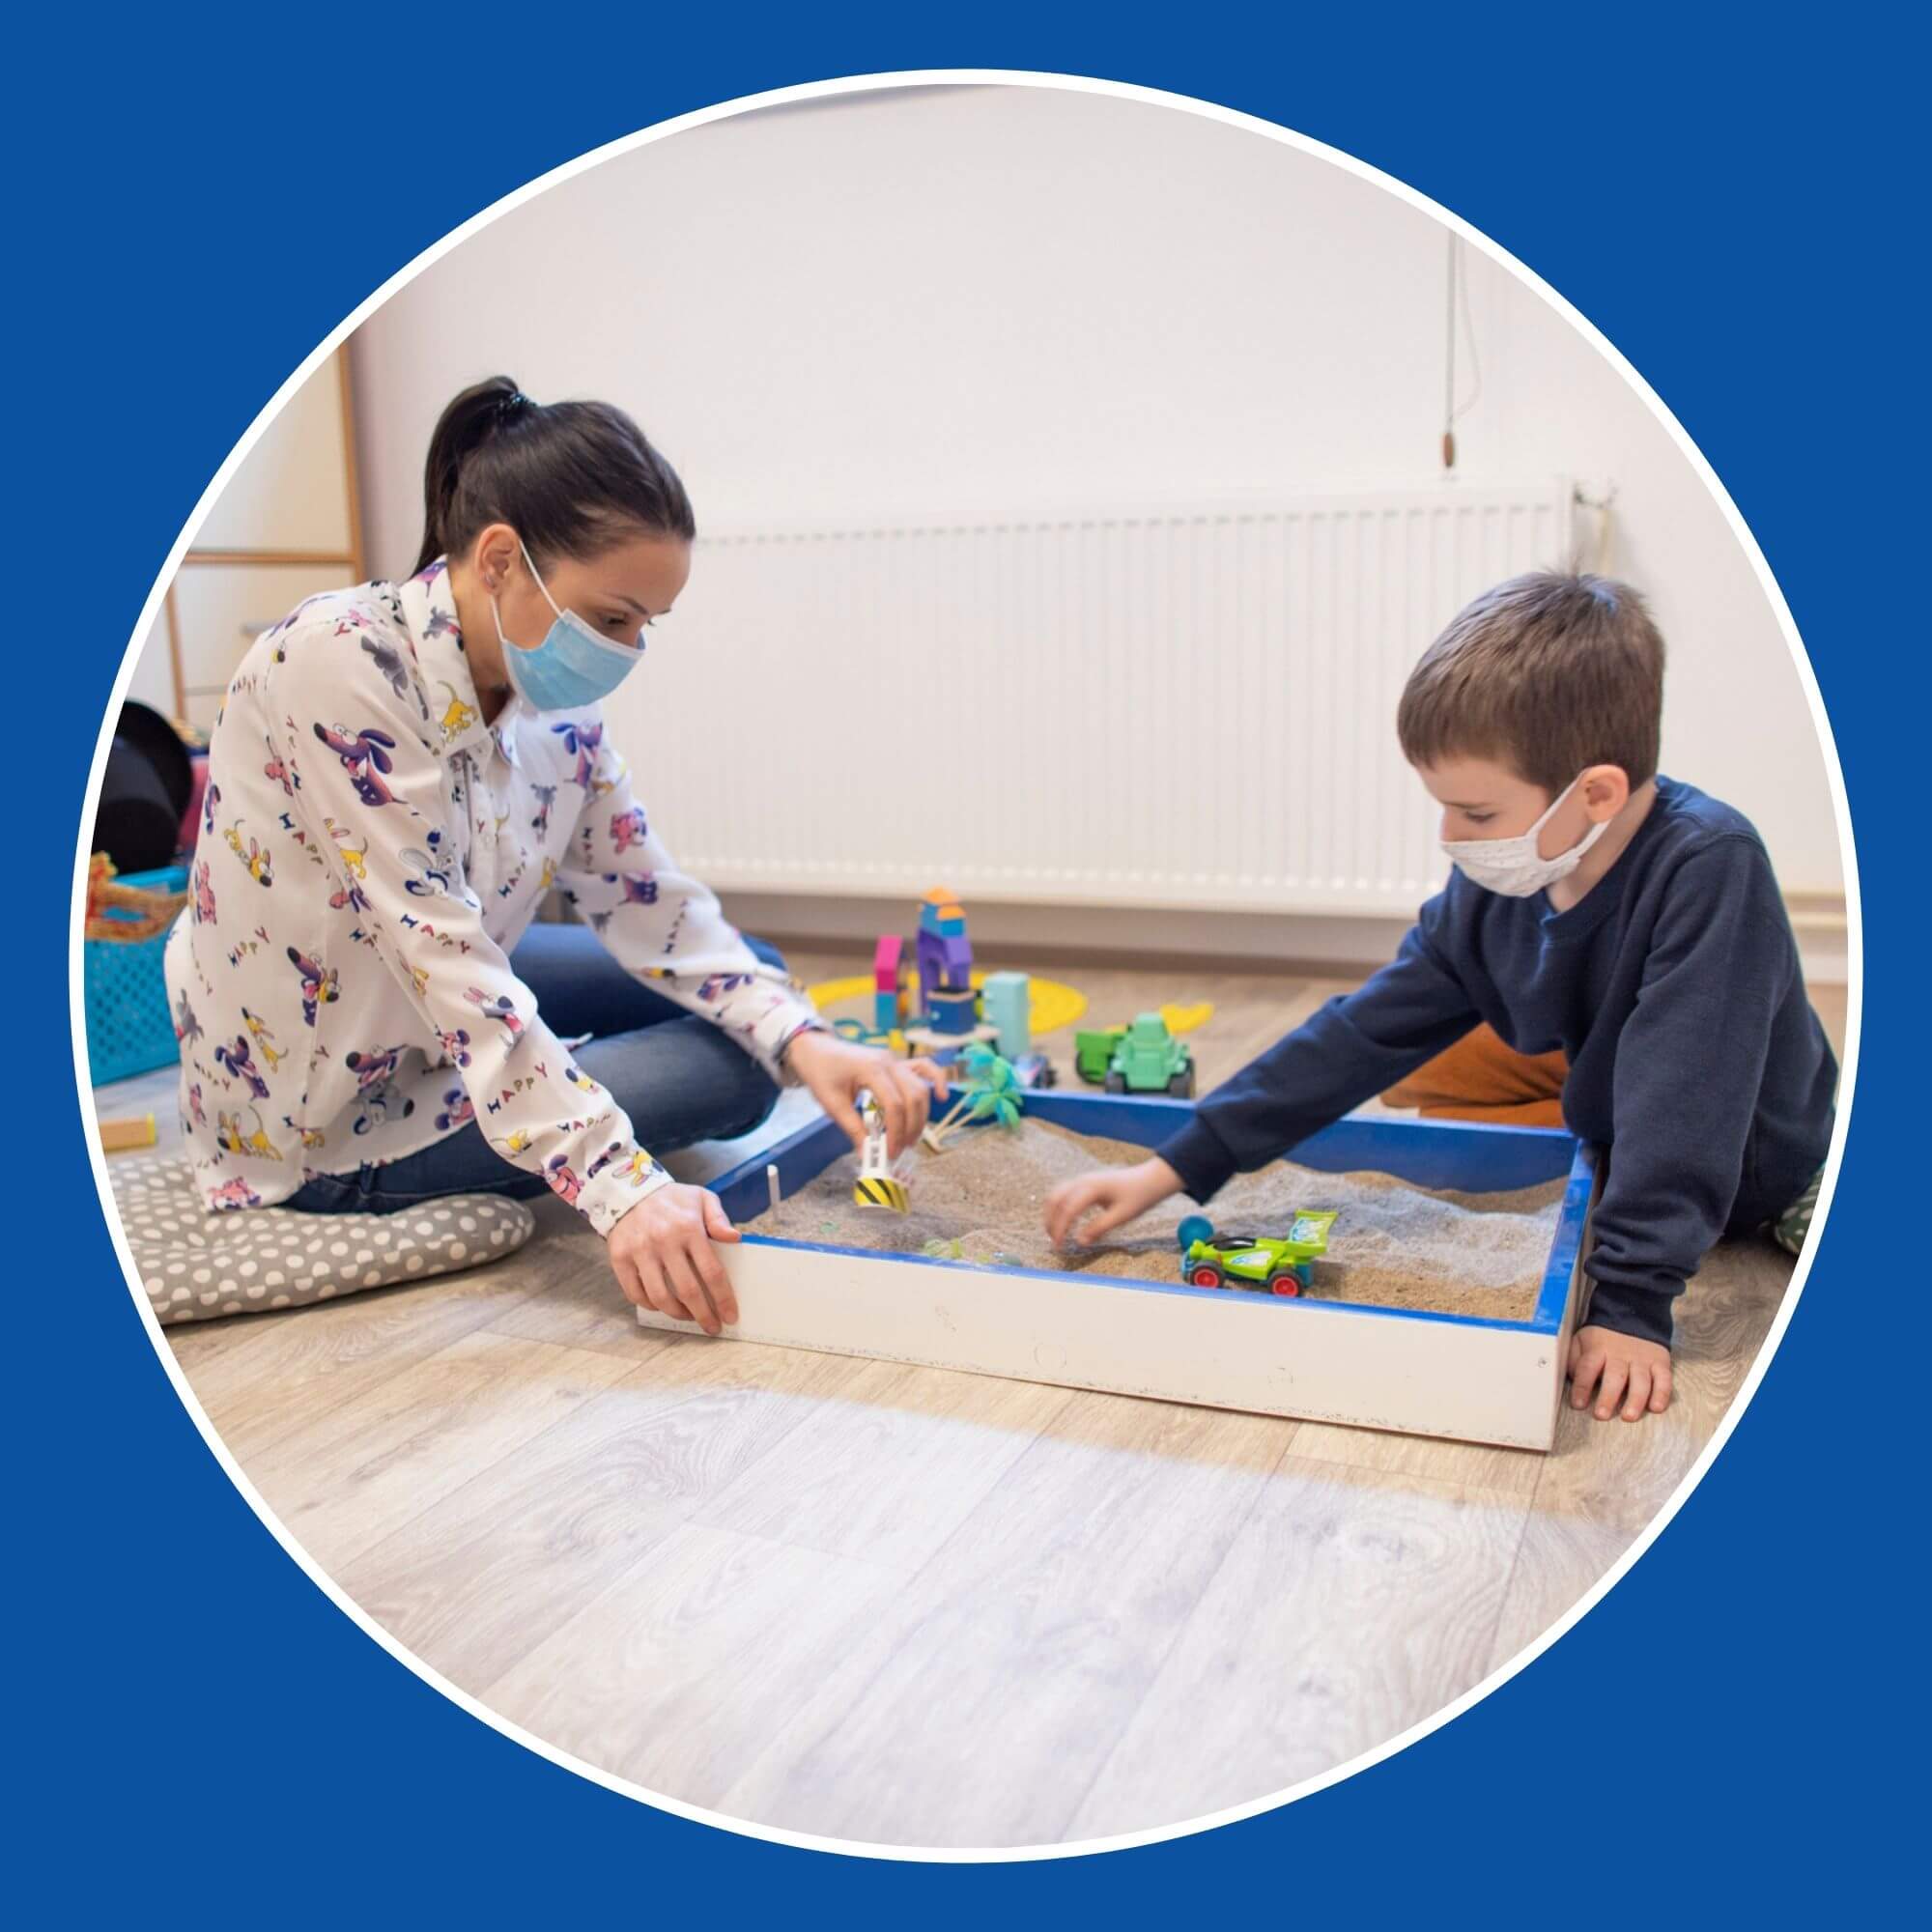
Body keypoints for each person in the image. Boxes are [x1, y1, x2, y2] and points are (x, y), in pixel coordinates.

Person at [166, 375, 943, 1332]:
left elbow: (649, 898)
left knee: (762, 1005)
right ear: (501, 559)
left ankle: (628, 1065)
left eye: (643, 626)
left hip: (412, 984)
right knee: (734, 1072)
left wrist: (807, 1036)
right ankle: (509, 1113)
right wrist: (618, 1181)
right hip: (325, 1108)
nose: (627, 649)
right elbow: (440, 955)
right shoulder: (335, 662)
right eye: (613, 617)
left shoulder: (554, 713)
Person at [1043, 572, 1836, 1423]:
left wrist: (1631, 1307)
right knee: (1443, 1065)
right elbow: (1362, 1035)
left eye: (1476, 812)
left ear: (1596, 794)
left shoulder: (1709, 865)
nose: (1449, 837)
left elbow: (1686, 1097)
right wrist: (1177, 1162)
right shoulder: (1505, 883)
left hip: (1766, 1168)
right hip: (1606, 1115)